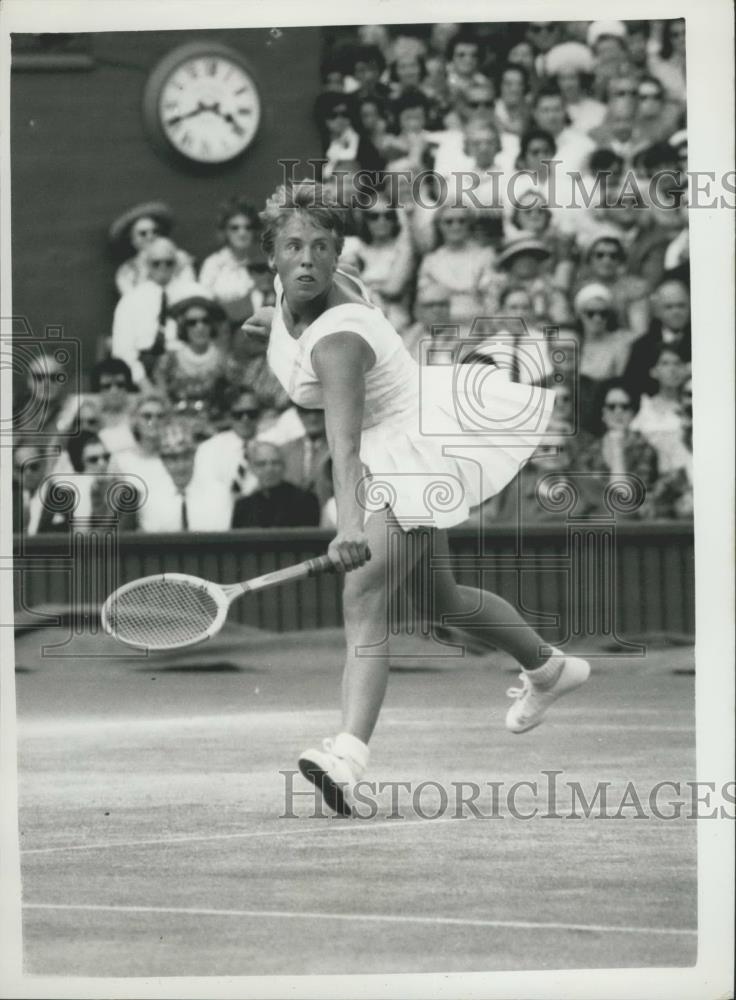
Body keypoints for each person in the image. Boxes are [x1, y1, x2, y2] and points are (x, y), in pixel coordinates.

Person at [242, 181, 590, 816]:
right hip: (395, 437)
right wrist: (273, 323)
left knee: (364, 592)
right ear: (271, 256)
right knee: (441, 599)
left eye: (322, 247)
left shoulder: (338, 339)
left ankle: (347, 755)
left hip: (405, 447)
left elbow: (343, 448)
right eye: (294, 246)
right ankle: (548, 669)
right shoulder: (296, 287)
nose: (308, 259)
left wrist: (350, 525)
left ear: (336, 252)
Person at [111, 237, 187, 386]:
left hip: (185, 368)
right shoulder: (130, 300)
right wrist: (143, 383)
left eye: (169, 262)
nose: (163, 267)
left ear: (176, 264)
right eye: (156, 263)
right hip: (143, 371)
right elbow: (122, 350)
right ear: (146, 265)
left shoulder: (193, 293)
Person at [37, 431, 138, 533]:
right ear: (80, 462)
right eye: (93, 459)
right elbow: (46, 532)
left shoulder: (122, 492)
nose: (102, 463)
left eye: (106, 457)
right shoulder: (63, 492)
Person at [141, 420, 233, 532]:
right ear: (163, 461)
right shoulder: (150, 499)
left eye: (186, 456)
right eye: (172, 459)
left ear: (195, 455)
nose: (180, 466)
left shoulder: (218, 494)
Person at [109, 201, 194, 297]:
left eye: (155, 231)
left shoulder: (179, 259)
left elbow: (188, 291)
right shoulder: (127, 271)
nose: (150, 237)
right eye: (143, 233)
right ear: (133, 240)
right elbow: (132, 300)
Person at [198, 198, 263, 324]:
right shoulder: (213, 264)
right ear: (225, 232)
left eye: (248, 227)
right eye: (235, 228)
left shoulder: (261, 265)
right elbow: (204, 305)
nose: (242, 233)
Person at [231, 441, 320, 528]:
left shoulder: (306, 501)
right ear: (252, 469)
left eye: (275, 463)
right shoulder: (243, 507)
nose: (269, 469)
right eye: (261, 464)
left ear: (284, 466)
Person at [191, 387, 261, 498]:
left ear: (259, 414)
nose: (245, 419)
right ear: (229, 416)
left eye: (251, 413)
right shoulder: (209, 449)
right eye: (238, 414)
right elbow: (205, 490)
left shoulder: (273, 444)